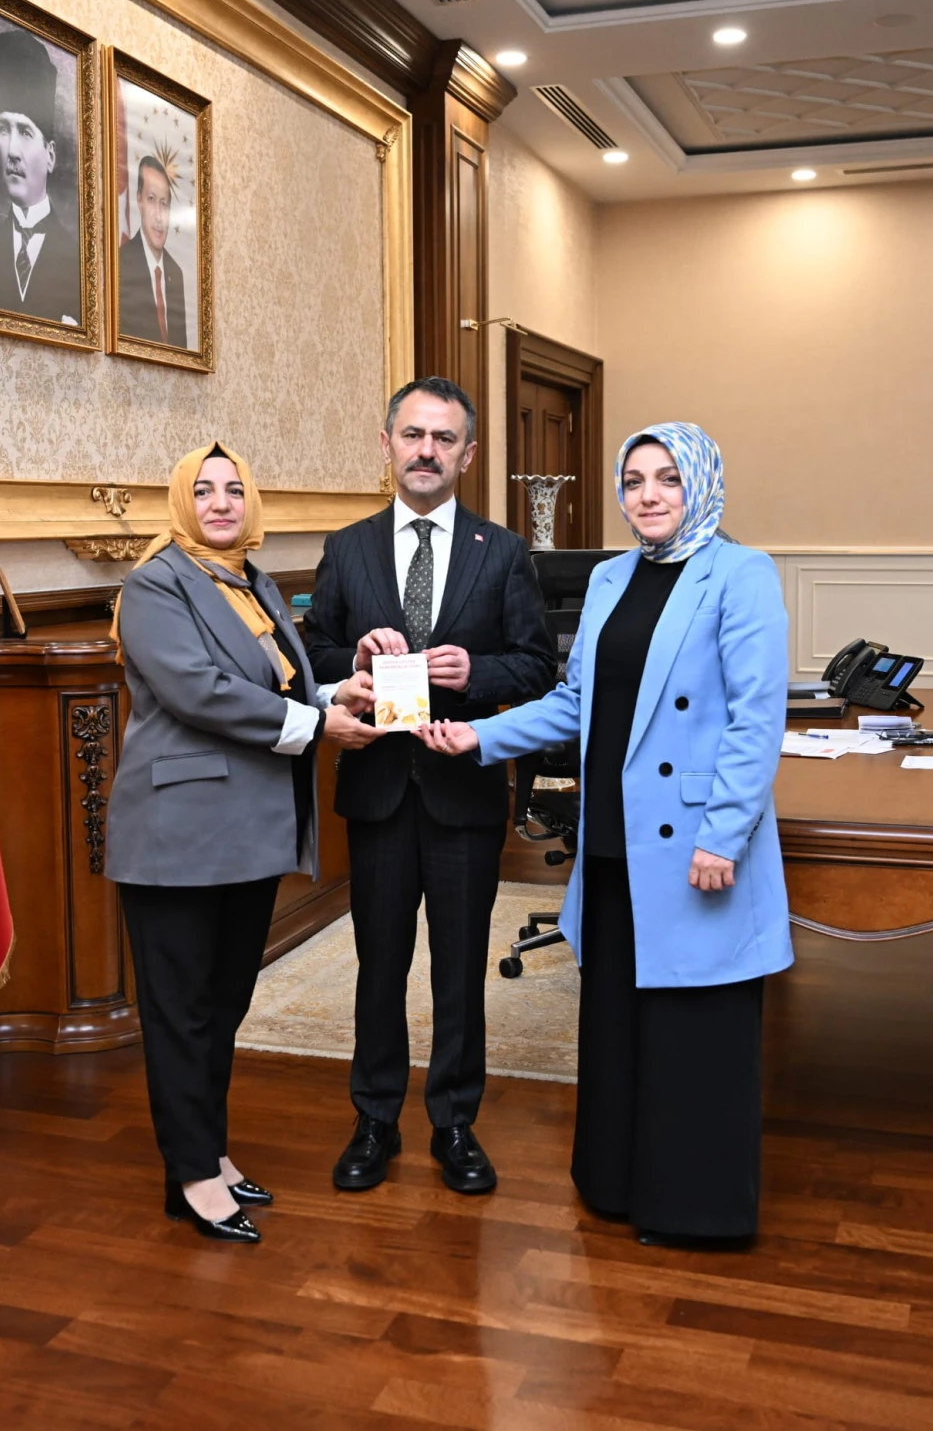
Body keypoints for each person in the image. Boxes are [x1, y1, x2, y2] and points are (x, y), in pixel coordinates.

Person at [415, 422, 792, 1246]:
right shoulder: (615, 576)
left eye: (666, 479)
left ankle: (694, 1209)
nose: (648, 496)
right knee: (620, 1019)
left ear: (700, 483)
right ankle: (614, 1184)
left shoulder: (742, 574)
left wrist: (723, 837)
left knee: (695, 1029)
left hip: (697, 844)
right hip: (617, 837)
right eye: (633, 481)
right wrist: (480, 736)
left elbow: (758, 721)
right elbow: (573, 703)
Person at [105, 442, 382, 1244]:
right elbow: (200, 690)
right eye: (204, 489)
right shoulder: (156, 583)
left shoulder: (251, 581)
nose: (221, 502)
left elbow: (277, 682)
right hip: (178, 837)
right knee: (181, 1009)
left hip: (246, 834)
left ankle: (208, 1153)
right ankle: (189, 1174)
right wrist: (317, 725)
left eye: (234, 489)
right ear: (181, 500)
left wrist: (337, 689)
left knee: (222, 1003)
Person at [306, 377, 556, 1196]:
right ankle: (374, 1117)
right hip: (377, 790)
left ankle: (454, 1122)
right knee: (378, 963)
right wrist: (352, 662)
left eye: (443, 438)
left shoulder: (503, 551)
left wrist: (474, 670)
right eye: (412, 434)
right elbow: (311, 649)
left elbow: (538, 664)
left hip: (462, 794)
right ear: (386, 444)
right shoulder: (347, 549)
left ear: (468, 455)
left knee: (458, 965)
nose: (425, 450)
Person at [0, 28, 81, 325]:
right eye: (3, 129)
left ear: (50, 154)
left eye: (24, 132)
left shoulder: (78, 265)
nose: (11, 150)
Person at [118, 155, 188, 346]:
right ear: (139, 200)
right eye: (151, 199)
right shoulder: (120, 265)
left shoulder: (176, 274)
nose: (159, 216)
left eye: (164, 204)